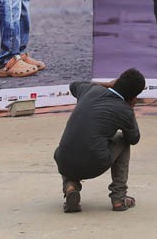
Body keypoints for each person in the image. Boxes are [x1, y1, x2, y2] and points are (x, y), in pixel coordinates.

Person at [54, 69, 146, 214]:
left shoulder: (90, 89)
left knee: (75, 141)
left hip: (63, 161)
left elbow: (74, 85)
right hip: (94, 164)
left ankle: (70, 186)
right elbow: (134, 138)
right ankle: (119, 197)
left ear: (117, 81)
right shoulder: (124, 109)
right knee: (123, 139)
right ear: (134, 96)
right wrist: (130, 109)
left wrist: (107, 85)